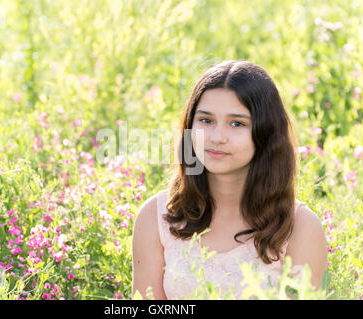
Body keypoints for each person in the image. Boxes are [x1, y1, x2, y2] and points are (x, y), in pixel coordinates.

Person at [132, 60, 328, 300]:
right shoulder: (157, 217)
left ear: (266, 133)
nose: (217, 137)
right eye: (206, 120)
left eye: (237, 123)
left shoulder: (299, 226)